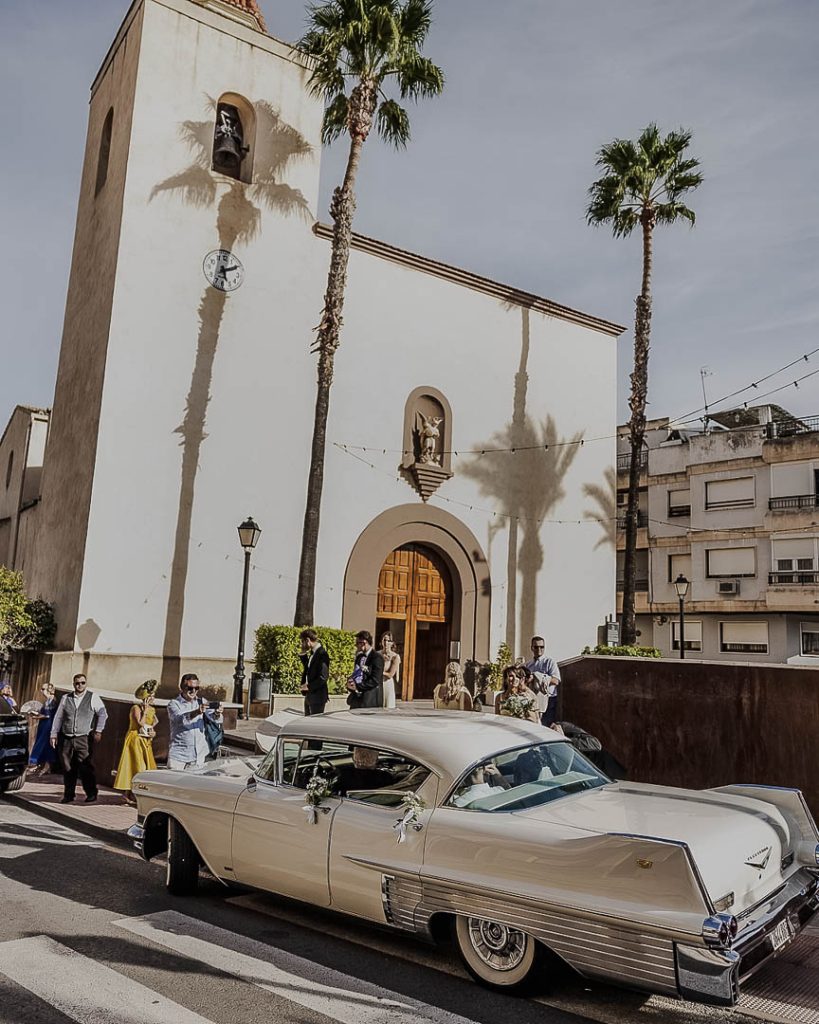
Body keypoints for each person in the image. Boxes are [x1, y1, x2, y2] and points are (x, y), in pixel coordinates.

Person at [50, 674, 108, 803]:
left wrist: (98, 730)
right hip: (67, 737)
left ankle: (91, 793)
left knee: (86, 767)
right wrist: (53, 734)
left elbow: (103, 713)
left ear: (86, 683)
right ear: (73, 684)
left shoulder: (93, 697)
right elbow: (58, 717)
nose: (80, 685)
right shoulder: (66, 698)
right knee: (67, 767)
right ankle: (69, 795)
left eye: (82, 683)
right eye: (77, 683)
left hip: (83, 737)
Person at [113, 680, 158, 804]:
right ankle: (129, 793)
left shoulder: (153, 710)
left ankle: (136, 794)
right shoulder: (136, 708)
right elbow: (140, 723)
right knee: (136, 765)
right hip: (135, 738)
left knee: (145, 766)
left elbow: (151, 725)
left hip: (145, 740)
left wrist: (153, 734)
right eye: (150, 697)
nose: (153, 699)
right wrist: (145, 710)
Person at [167, 673, 223, 770]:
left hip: (198, 757)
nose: (193, 691)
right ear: (182, 687)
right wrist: (197, 712)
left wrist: (217, 713)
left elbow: (216, 719)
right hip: (179, 757)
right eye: (190, 688)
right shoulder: (174, 704)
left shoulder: (201, 702)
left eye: (196, 688)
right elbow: (179, 720)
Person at [526, 635, 562, 726]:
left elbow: (556, 680)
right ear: (532, 648)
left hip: (548, 699)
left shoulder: (549, 662)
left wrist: (540, 677)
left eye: (542, 647)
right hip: (533, 699)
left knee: (546, 725)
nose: (539, 649)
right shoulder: (529, 665)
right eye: (536, 647)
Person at [346, 631, 384, 709]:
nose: (356, 646)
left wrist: (358, 686)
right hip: (356, 699)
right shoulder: (359, 657)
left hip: (370, 699)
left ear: (364, 642)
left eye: (357, 643)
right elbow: (356, 673)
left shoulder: (377, 658)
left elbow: (375, 680)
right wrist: (351, 682)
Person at [28, 682, 58, 775]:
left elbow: (48, 715)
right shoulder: (47, 701)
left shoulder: (52, 700)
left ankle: (45, 766)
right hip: (44, 724)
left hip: (48, 725)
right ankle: (44, 766)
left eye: (43, 689)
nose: (41, 691)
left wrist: (37, 717)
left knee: (44, 744)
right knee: (42, 743)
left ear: (49, 690)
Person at [299, 629, 330, 716]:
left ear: (308, 640)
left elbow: (323, 677)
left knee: (314, 724)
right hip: (310, 695)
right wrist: (303, 654)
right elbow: (308, 669)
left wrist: (308, 686)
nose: (302, 644)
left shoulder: (322, 654)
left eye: (302, 641)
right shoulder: (314, 653)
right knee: (308, 723)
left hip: (317, 697)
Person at [379, 632, 401, 708]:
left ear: (392, 643)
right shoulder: (377, 654)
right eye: (384, 640)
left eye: (388, 641)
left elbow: (390, 675)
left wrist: (378, 672)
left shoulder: (395, 657)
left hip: (386, 684)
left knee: (387, 706)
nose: (386, 643)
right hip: (377, 684)